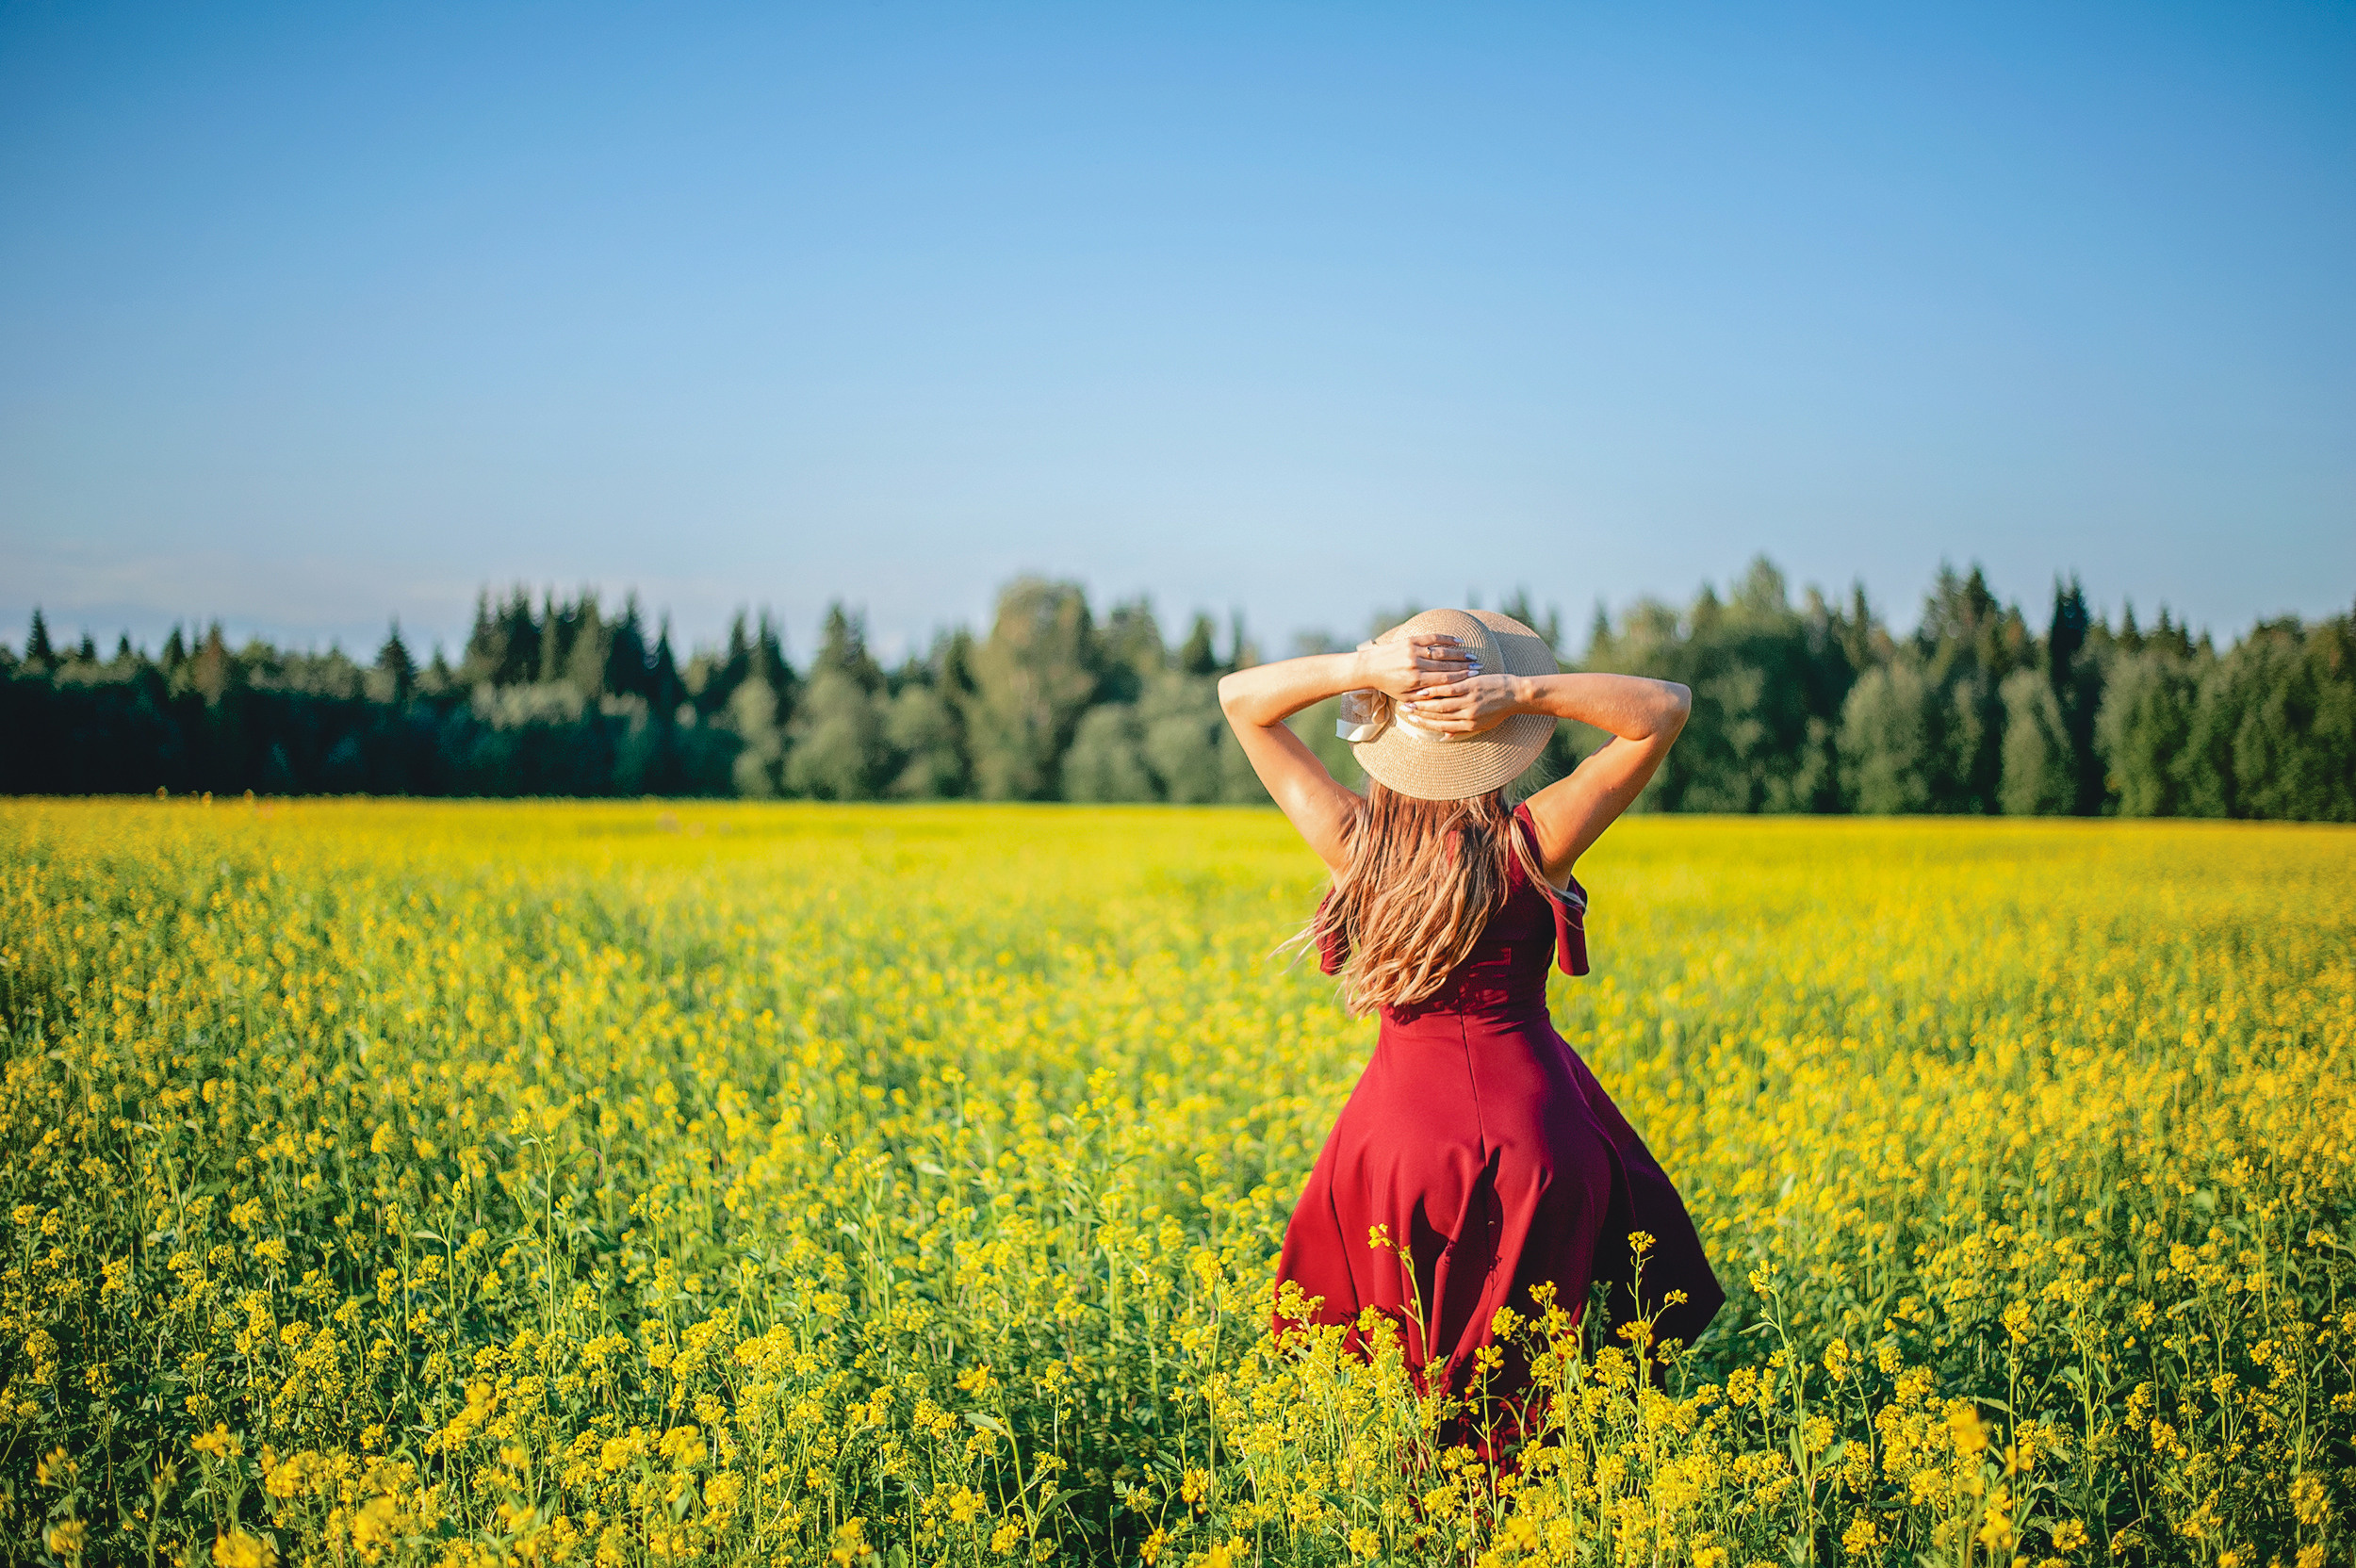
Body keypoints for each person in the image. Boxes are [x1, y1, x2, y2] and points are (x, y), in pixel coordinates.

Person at [1217, 607, 1723, 1429]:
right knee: (1537, 1403)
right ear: (1501, 738)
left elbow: (1242, 698)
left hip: (1392, 1150)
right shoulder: (1534, 842)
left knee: (1406, 1395)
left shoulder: (1357, 844)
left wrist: (1367, 670)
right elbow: (1664, 708)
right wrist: (1521, 691)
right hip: (1538, 1142)